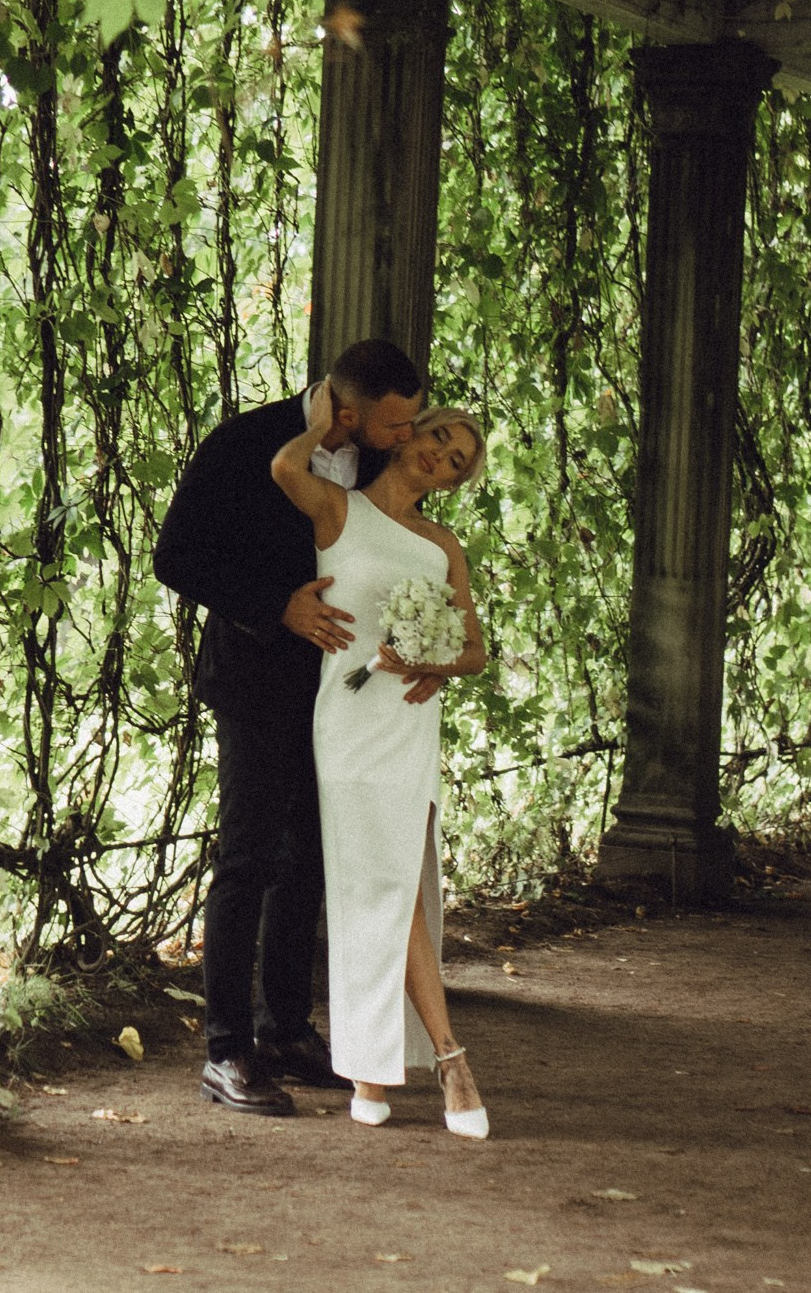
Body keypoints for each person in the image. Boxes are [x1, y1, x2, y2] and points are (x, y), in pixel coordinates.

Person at [153, 340, 427, 1115]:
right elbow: (176, 556)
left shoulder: (379, 462)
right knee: (247, 857)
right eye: (396, 423)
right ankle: (226, 1050)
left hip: (344, 689)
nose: (406, 436)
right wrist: (277, 605)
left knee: (308, 856)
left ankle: (285, 1028)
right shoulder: (244, 442)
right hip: (254, 679)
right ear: (350, 412)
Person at [272, 395, 492, 1136]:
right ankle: (450, 1059)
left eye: (457, 460)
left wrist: (429, 663)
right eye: (440, 437)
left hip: (408, 724)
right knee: (376, 887)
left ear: (454, 482)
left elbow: (474, 651)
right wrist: (325, 423)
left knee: (398, 886)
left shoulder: (441, 545)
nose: (442, 456)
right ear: (409, 435)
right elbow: (284, 467)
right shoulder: (339, 509)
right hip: (348, 725)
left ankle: (375, 1072)